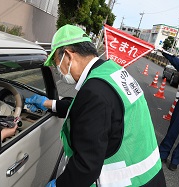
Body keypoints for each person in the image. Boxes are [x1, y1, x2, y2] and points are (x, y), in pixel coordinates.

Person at [25, 24, 166, 187]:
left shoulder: (94, 92)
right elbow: (95, 112)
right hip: (150, 176)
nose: (58, 70)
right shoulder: (111, 72)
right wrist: (49, 104)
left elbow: (86, 166)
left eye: (57, 62)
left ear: (69, 56)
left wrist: (60, 185)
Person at [158, 50, 179, 171]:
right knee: (173, 130)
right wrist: (163, 52)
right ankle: (163, 154)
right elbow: (175, 61)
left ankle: (175, 161)